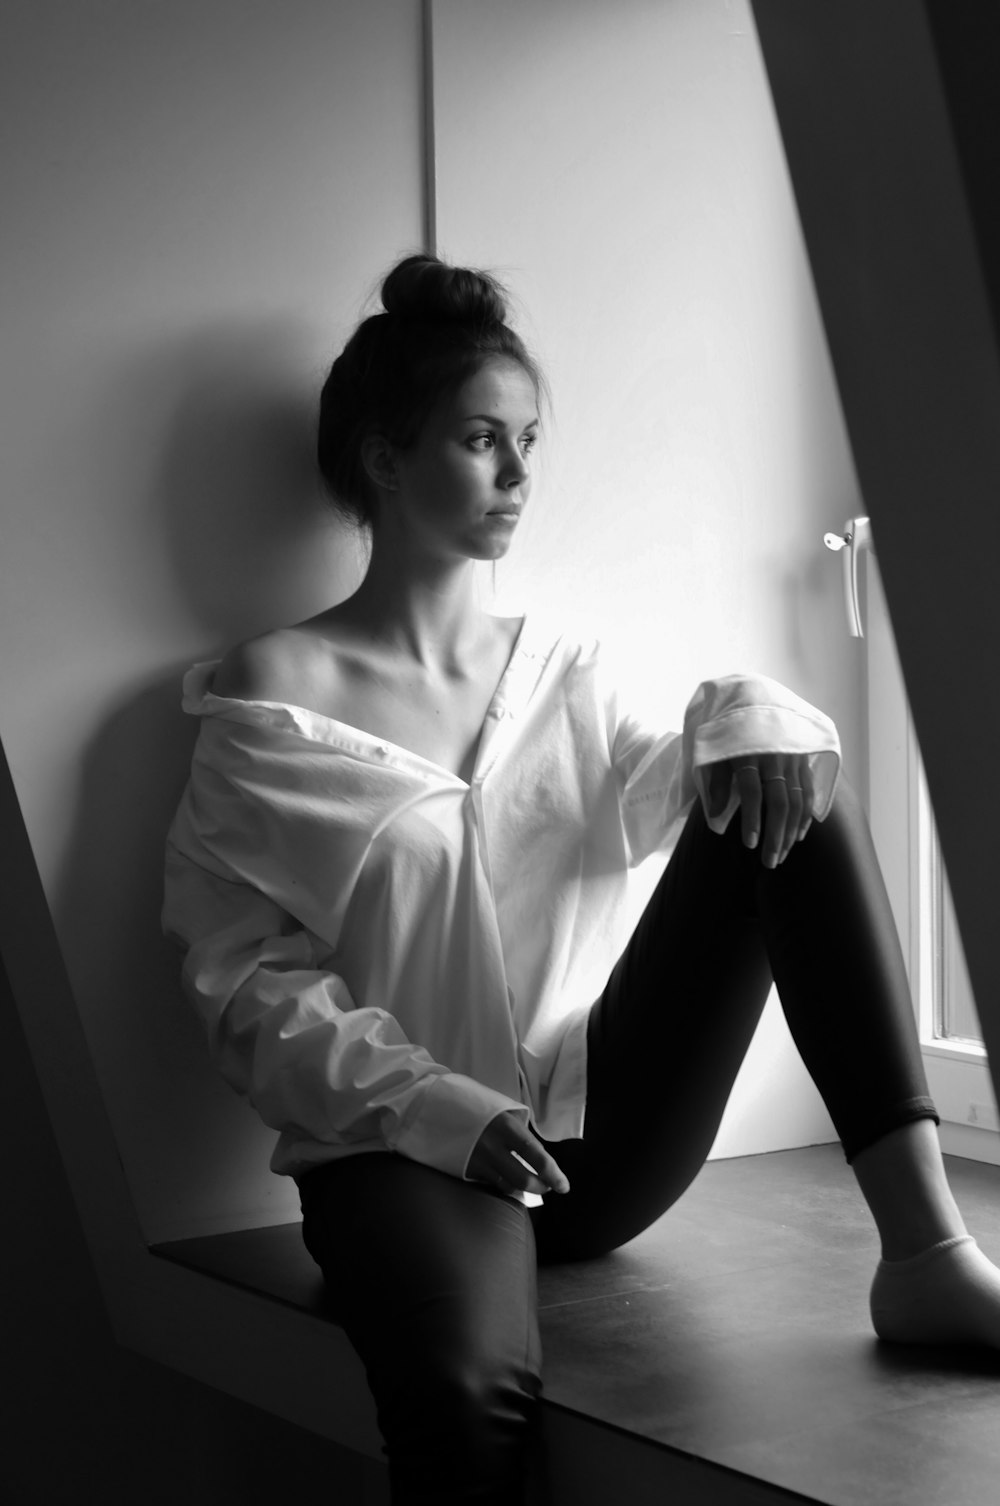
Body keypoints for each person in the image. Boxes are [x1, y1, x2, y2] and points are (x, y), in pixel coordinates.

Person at [163, 253, 1000, 1505]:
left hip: (593, 1141)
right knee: (463, 1396)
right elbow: (248, 988)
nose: (517, 476)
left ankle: (927, 1249)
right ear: (386, 460)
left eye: (529, 441)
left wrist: (750, 710)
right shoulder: (269, 700)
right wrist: (443, 1105)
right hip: (405, 1160)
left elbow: (694, 783)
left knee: (787, 783)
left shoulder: (562, 667)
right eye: (481, 440)